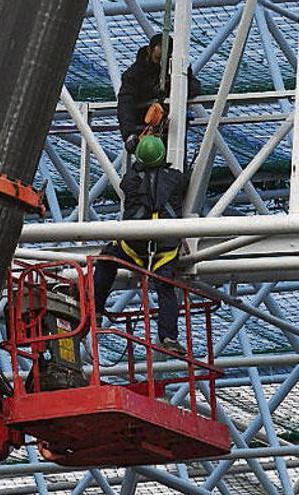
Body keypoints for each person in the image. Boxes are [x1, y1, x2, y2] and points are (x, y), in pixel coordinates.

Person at [91, 33, 202, 353]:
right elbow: (129, 102)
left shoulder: (132, 180)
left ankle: (96, 309)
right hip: (164, 244)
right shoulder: (175, 179)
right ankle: (168, 336)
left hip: (134, 241)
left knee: (107, 259)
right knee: (165, 285)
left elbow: (131, 182)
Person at [117, 33, 202, 155]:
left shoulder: (176, 69)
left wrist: (177, 81)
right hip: (146, 128)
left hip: (170, 129)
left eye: (164, 59)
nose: (160, 63)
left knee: (172, 160)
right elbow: (126, 103)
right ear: (149, 51)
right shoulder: (135, 74)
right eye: (157, 58)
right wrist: (129, 134)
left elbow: (194, 87)